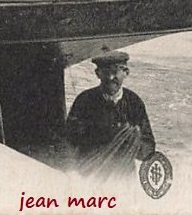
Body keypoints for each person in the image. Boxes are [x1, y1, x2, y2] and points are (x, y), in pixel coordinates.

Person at [66, 51, 156, 179]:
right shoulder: (84, 101)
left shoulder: (134, 102)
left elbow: (148, 143)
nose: (110, 77)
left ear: (126, 73)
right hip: (91, 174)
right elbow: (70, 140)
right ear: (98, 74)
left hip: (123, 175)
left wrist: (131, 142)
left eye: (115, 72)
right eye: (106, 72)